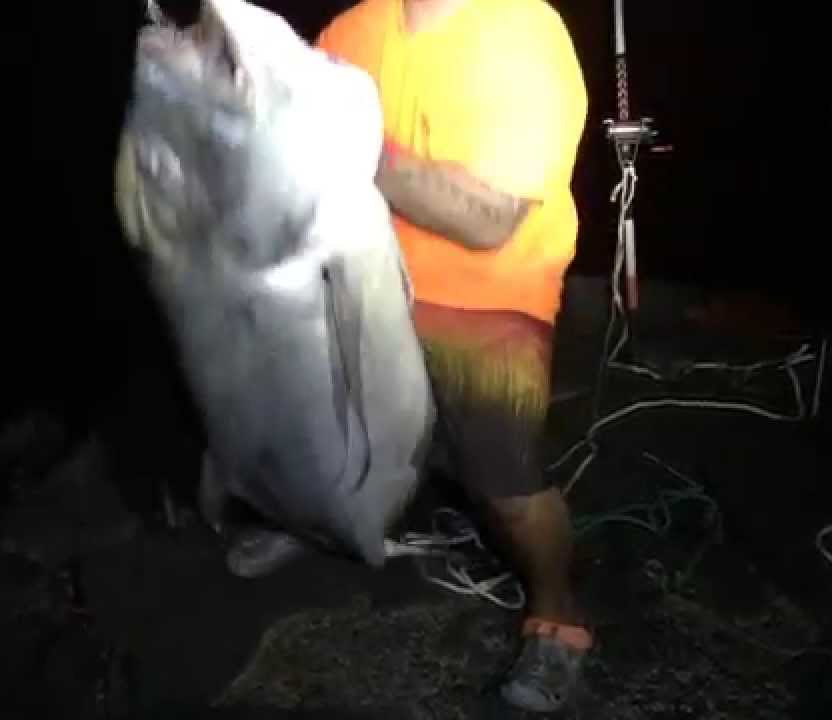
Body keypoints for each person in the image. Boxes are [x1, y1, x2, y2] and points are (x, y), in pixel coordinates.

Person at [311, 0, 593, 712]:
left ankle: (559, 617)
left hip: (489, 303)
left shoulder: (522, 32)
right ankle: (313, 511)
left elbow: (486, 219)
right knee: (348, 426)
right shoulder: (351, 28)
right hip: (368, 281)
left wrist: (346, 146)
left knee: (505, 486)